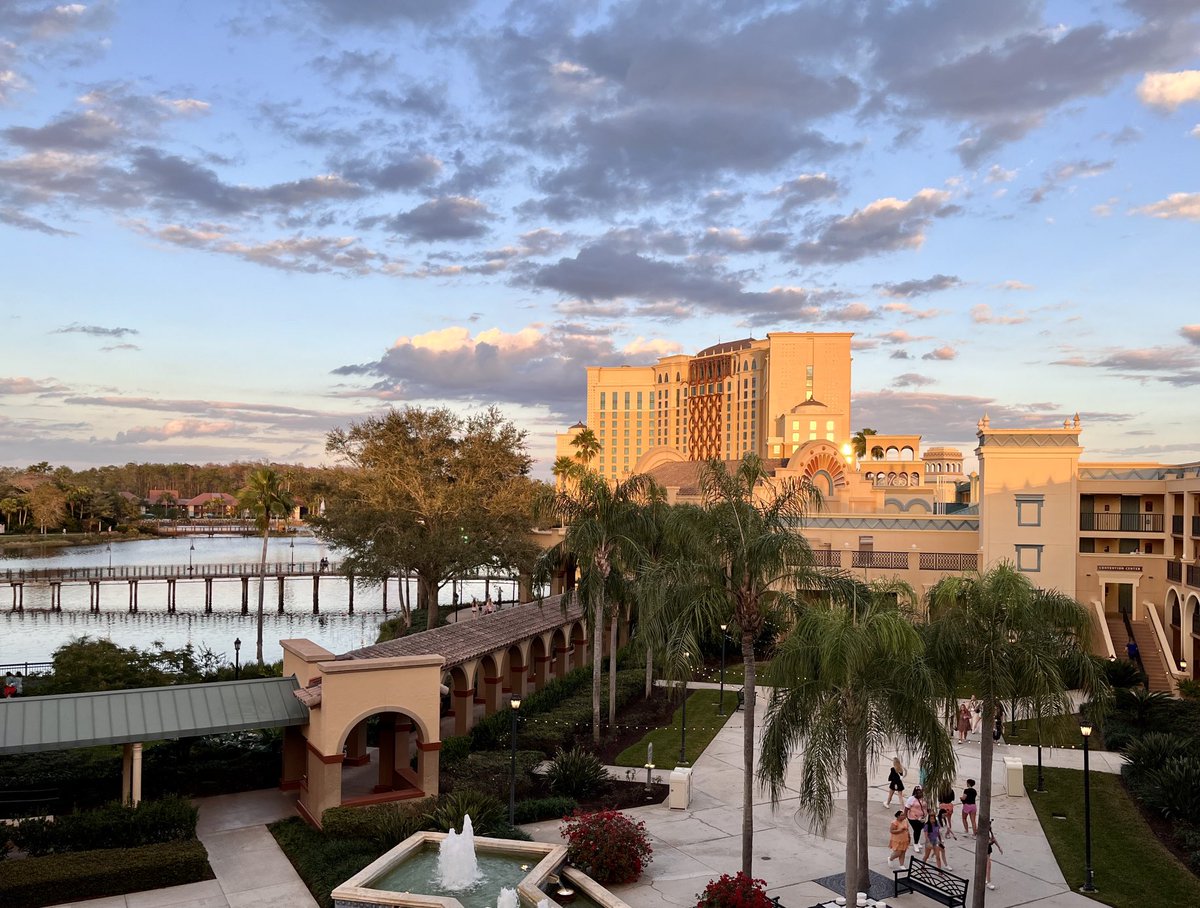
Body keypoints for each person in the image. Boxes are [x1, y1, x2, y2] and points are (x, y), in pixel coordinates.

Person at [905, 785, 928, 853]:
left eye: (920, 792)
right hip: (913, 818)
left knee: (919, 829)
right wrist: (905, 817)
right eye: (917, 792)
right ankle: (915, 844)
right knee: (917, 830)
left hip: (922, 818)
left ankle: (917, 842)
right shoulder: (911, 799)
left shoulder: (925, 798)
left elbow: (927, 806)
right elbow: (906, 808)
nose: (919, 794)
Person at [986, 820, 1003, 890]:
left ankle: (987, 879)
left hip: (988, 849)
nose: (990, 825)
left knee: (986, 865)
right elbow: (985, 841)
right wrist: (990, 842)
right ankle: (989, 882)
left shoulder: (990, 831)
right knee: (988, 865)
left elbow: (993, 838)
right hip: (984, 850)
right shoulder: (984, 832)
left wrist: (999, 847)